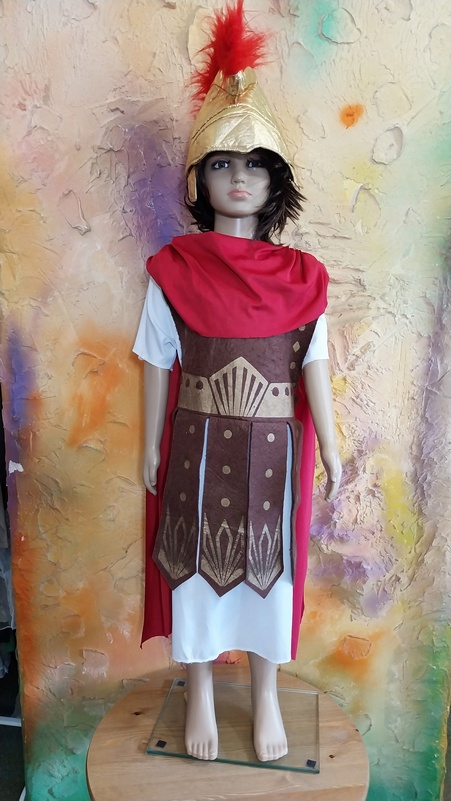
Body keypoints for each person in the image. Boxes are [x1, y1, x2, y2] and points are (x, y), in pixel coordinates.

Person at [133, 0, 342, 764]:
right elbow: (158, 356)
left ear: (274, 178)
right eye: (221, 163)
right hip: (193, 445)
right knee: (192, 571)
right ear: (200, 178)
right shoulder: (173, 269)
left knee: (267, 577)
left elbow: (311, 360)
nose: (238, 177)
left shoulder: (302, 277)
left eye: (254, 163)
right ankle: (196, 692)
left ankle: (263, 696)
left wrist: (333, 445)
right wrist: (150, 446)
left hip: (274, 456)